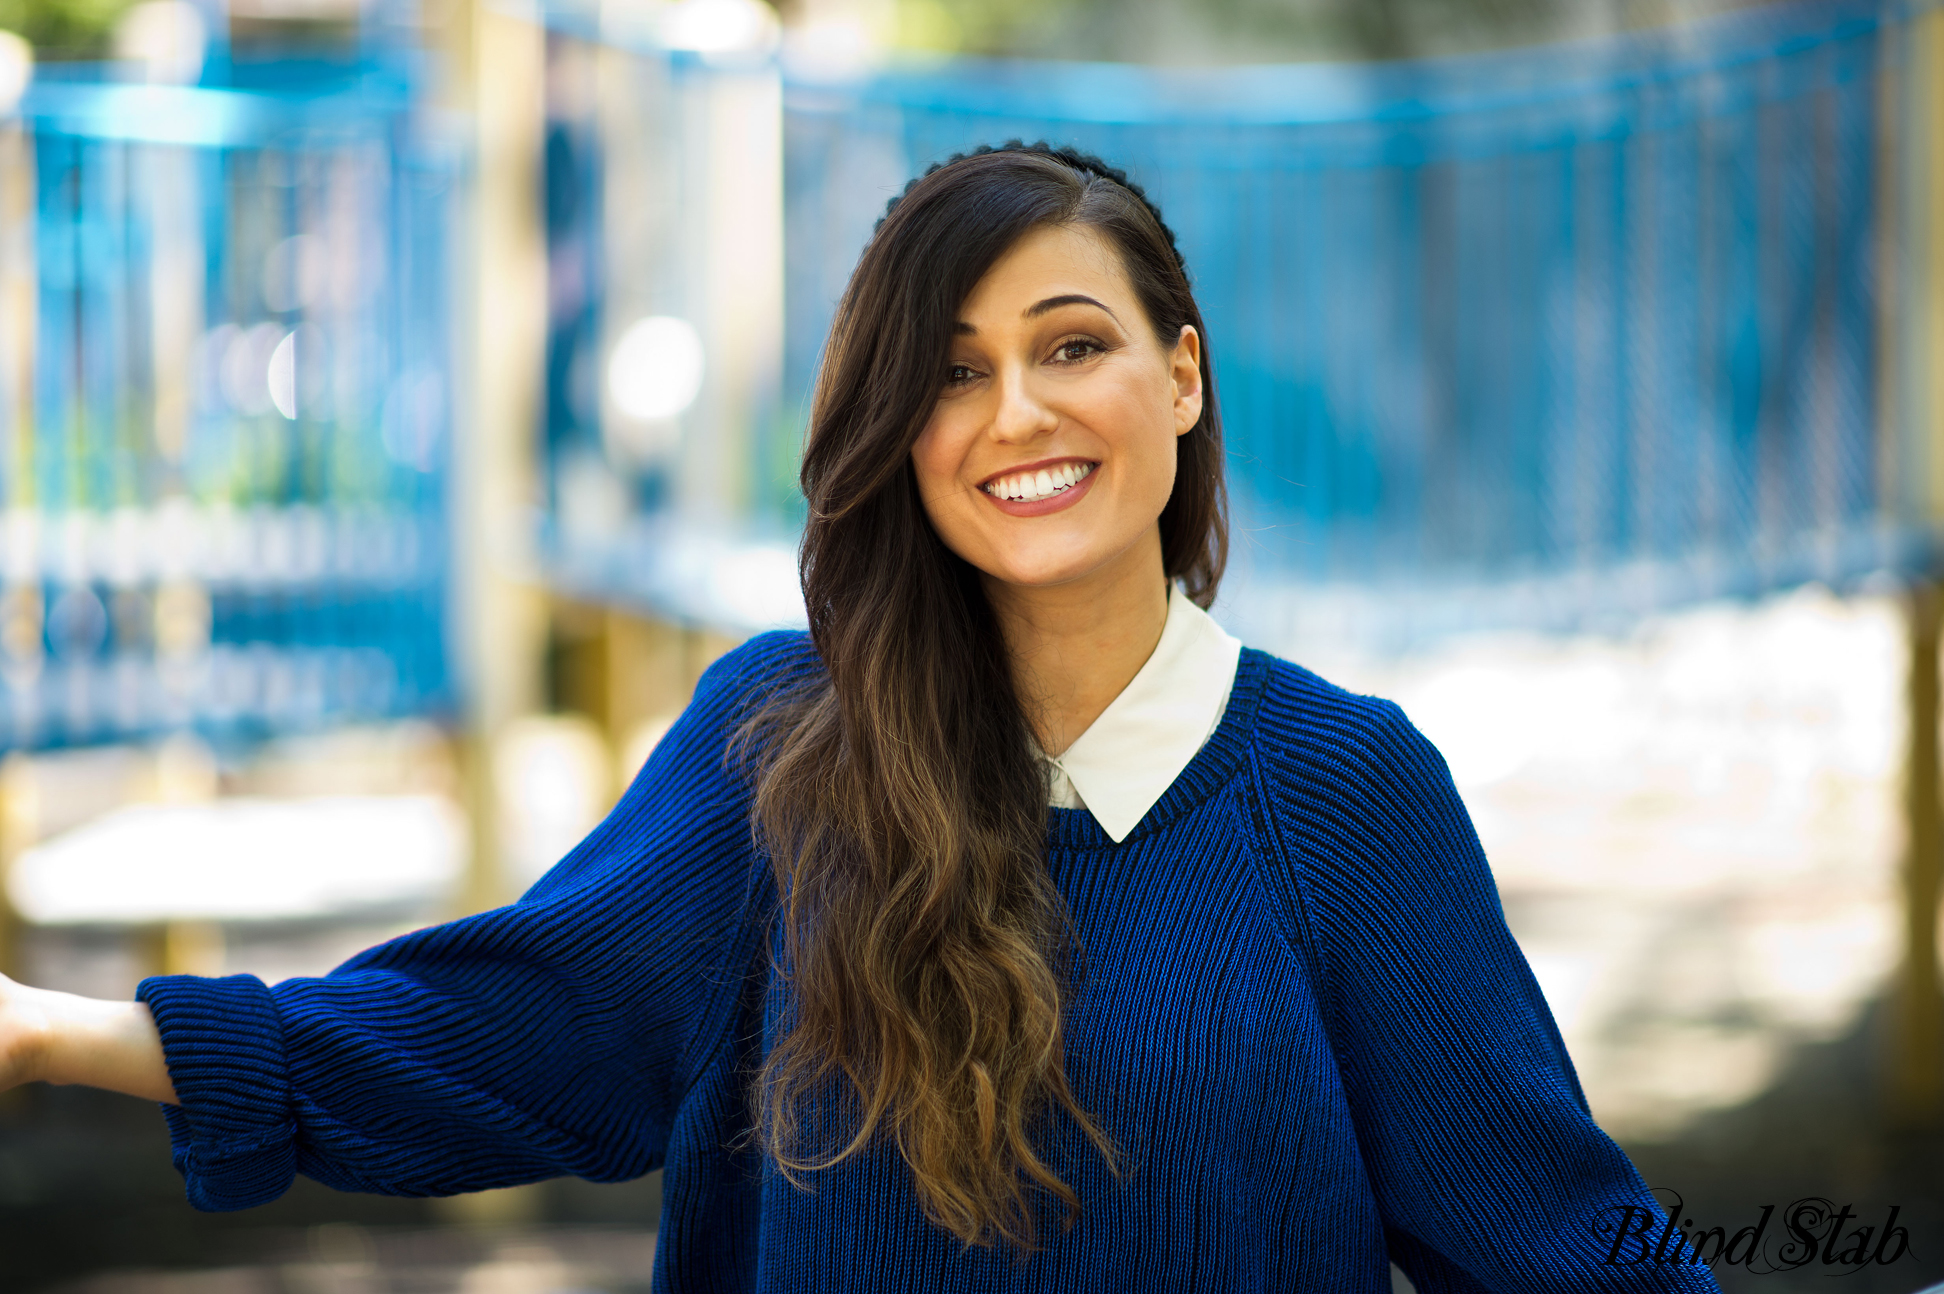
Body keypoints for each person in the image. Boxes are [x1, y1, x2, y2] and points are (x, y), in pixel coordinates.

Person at [0, 143, 1720, 1293]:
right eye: (954, 369)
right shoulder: (780, 743)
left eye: (1072, 345)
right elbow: (502, 1032)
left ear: (1181, 379)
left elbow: (1555, 1235)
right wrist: (43, 1034)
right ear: (897, 428)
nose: (1017, 411)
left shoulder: (1343, 789)